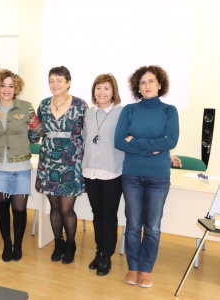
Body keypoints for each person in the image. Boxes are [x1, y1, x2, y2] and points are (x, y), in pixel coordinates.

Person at [114, 65, 179, 288]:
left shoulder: (169, 111)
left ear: (160, 84)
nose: (147, 85)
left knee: (152, 226)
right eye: (142, 82)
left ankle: (146, 269)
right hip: (132, 175)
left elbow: (170, 142)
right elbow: (119, 141)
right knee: (132, 225)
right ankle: (133, 268)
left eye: (151, 81)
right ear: (137, 87)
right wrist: (152, 147)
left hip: (158, 176)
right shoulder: (129, 111)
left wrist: (136, 142)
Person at [0, 69, 42, 262]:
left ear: (16, 88)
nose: (7, 89)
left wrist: (24, 141)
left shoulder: (26, 107)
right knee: (1, 206)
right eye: (3, 85)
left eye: (11, 85)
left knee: (19, 209)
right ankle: (7, 244)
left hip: (20, 166)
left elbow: (38, 131)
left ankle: (18, 244)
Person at [35, 66, 88, 265]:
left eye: (59, 80)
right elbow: (37, 132)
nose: (55, 84)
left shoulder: (80, 105)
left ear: (68, 82)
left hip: (71, 162)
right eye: (51, 80)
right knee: (54, 206)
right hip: (49, 160)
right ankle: (58, 243)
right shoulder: (43, 104)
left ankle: (71, 244)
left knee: (67, 209)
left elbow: (89, 134)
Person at [82, 74, 123, 276]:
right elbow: (84, 139)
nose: (102, 92)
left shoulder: (121, 112)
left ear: (113, 91)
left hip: (112, 171)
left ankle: (107, 255)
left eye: (106, 88)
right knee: (97, 214)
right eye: (98, 88)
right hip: (90, 170)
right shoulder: (89, 113)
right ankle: (99, 251)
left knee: (109, 215)